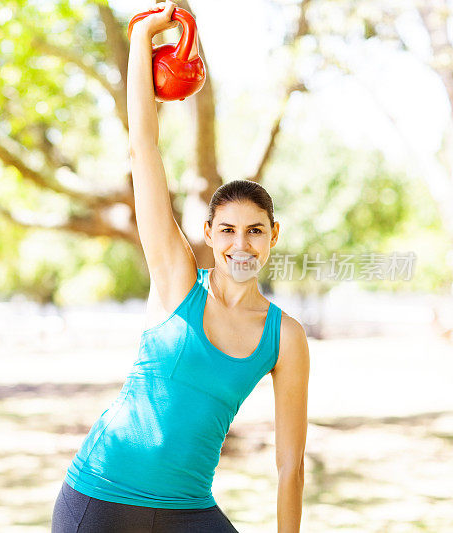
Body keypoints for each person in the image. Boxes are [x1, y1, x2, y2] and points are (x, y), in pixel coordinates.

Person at [51, 2, 310, 532]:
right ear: (211, 236)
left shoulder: (284, 337)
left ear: (272, 236)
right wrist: (143, 38)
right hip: (100, 499)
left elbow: (289, 465)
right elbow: (143, 148)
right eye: (229, 230)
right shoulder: (176, 280)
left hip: (188, 512)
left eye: (256, 230)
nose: (242, 244)